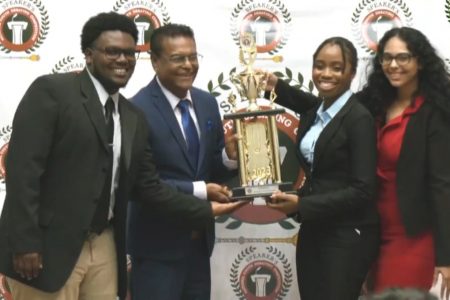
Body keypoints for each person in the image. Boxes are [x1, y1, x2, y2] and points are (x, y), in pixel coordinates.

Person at [0, 12, 241, 300]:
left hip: (104, 245)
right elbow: (23, 171)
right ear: (88, 55)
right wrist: (24, 242)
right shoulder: (53, 91)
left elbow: (146, 186)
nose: (123, 60)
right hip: (49, 248)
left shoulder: (130, 116)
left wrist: (206, 208)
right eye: (112, 51)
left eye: (129, 53)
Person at [263, 37, 380, 300]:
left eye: (337, 68)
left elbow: (363, 191)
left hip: (347, 235)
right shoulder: (317, 111)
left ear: (351, 72)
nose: (326, 74)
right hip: (315, 229)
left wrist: (301, 205)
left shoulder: (359, 118)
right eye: (319, 65)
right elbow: (306, 103)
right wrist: (274, 86)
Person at [127, 23, 236, 300]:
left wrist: (229, 158)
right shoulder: (136, 110)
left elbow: (210, 166)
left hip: (200, 246)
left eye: (193, 57)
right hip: (157, 249)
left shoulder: (207, 102)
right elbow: (144, 185)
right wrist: (202, 190)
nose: (188, 65)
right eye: (178, 58)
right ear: (154, 61)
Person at [358, 26, 450, 298]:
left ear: (420, 62)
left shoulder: (435, 112)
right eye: (387, 58)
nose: (393, 65)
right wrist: (279, 89)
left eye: (403, 57)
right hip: (370, 231)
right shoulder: (374, 103)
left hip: (413, 235)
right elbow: (331, 109)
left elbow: (442, 185)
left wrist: (445, 257)